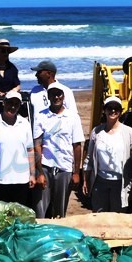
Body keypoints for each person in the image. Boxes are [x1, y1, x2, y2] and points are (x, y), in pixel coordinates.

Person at [32, 85, 84, 218]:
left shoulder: (73, 117)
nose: (56, 97)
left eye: (59, 94)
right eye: (53, 95)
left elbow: (77, 145)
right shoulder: (41, 115)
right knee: (41, 211)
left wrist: (76, 173)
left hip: (64, 168)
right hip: (45, 167)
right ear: (48, 97)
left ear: (63, 96)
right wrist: (40, 172)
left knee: (59, 211)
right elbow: (37, 145)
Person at [82, 95, 132, 213]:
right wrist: (86, 180)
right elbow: (89, 158)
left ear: (120, 111)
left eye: (116, 108)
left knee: (118, 218)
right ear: (104, 110)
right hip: (100, 181)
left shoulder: (128, 132)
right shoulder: (96, 131)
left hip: (121, 183)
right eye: (109, 108)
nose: (113, 111)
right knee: (99, 217)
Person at [0, 90, 35, 206]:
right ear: (4, 103)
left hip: (22, 180)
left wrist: (32, 174)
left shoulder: (25, 124)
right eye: (10, 103)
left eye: (16, 104)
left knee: (19, 218)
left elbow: (30, 150)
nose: (13, 106)